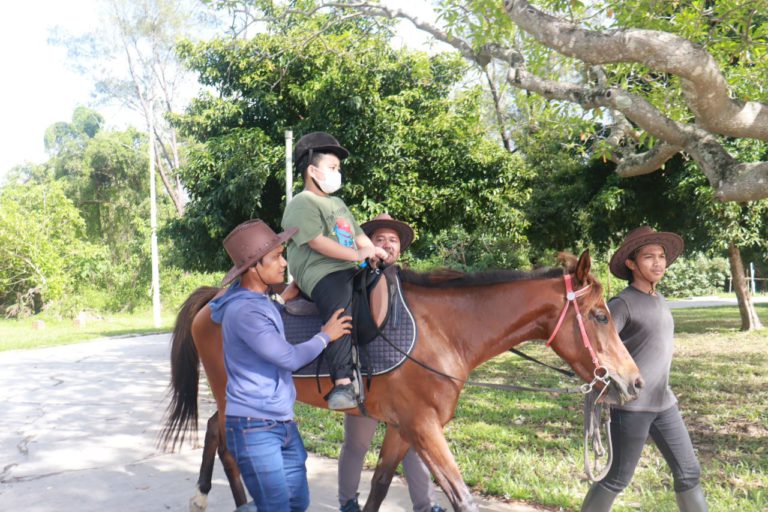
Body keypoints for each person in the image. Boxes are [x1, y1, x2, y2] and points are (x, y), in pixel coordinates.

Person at [209, 219, 353, 512]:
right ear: (252, 267)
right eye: (275, 257)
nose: (284, 262)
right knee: (276, 507)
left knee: (297, 502)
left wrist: (280, 301)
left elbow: (263, 320)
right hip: (254, 427)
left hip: (282, 423)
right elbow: (288, 357)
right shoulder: (244, 310)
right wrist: (327, 335)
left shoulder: (256, 300)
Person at [580, 226, 708, 512]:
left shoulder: (659, 299)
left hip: (665, 404)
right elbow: (596, 346)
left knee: (689, 473)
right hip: (631, 408)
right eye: (649, 256)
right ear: (631, 263)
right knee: (617, 479)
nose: (658, 262)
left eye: (661, 256)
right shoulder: (622, 304)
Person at [337, 214, 445, 512]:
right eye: (380, 239)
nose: (387, 244)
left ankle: (426, 505)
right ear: (368, 244)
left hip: (405, 381)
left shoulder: (408, 283)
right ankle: (347, 501)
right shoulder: (354, 275)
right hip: (368, 378)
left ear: (400, 249)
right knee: (357, 444)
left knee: (412, 445)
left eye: (393, 240)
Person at [281, 132, 387, 410]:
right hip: (320, 273)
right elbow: (317, 242)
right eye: (332, 167)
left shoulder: (338, 205)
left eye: (338, 169)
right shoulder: (301, 203)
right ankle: (341, 382)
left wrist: (373, 251)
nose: (337, 173)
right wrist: (356, 254)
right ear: (312, 170)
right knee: (341, 298)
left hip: (348, 266)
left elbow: (359, 235)